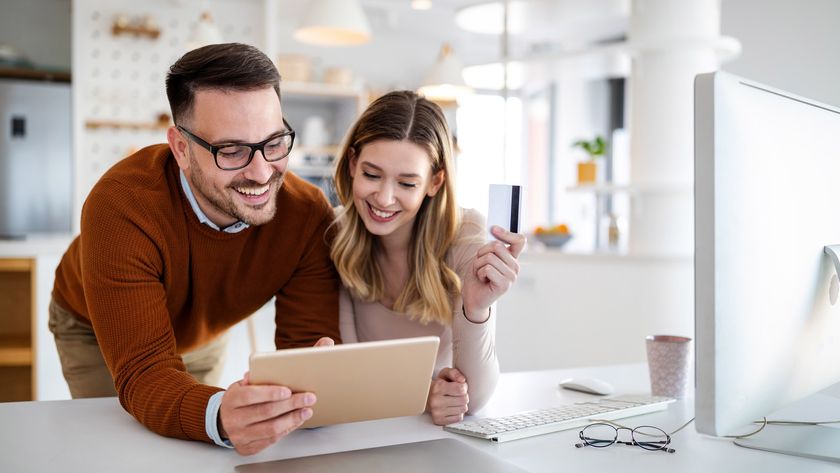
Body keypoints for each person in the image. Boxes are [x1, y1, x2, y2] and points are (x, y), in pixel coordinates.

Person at [48, 43, 339, 455]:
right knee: (120, 451)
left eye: (274, 142)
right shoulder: (121, 206)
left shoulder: (308, 215)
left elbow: (305, 351)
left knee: (194, 450)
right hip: (96, 329)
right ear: (181, 149)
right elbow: (144, 372)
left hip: (204, 324)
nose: (261, 173)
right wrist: (220, 415)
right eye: (232, 151)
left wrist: (306, 386)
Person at [330, 91, 526, 426]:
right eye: (372, 175)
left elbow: (473, 400)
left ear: (435, 182)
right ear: (352, 164)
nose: (385, 198)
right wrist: (424, 393)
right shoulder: (338, 233)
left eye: (407, 183)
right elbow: (349, 378)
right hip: (366, 430)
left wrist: (476, 308)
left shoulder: (466, 233)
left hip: (430, 435)